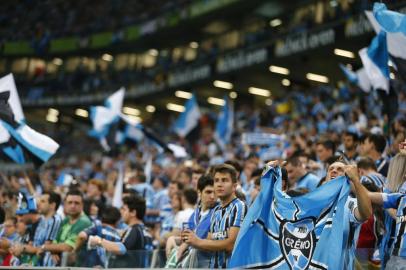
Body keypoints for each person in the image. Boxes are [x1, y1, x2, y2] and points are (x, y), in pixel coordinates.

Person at [183, 164, 248, 268]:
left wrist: (198, 241)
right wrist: (192, 240)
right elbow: (210, 240)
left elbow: (231, 245)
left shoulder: (239, 206)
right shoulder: (216, 210)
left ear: (234, 186)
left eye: (224, 180)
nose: (219, 184)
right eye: (216, 180)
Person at [322, 161, 372, 269]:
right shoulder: (314, 204)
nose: (334, 171)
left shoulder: (349, 203)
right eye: (331, 169)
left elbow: (366, 214)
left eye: (340, 169)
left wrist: (356, 181)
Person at [89, 194, 153, 268]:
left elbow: (121, 249)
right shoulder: (147, 231)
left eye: (124, 209)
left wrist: (99, 241)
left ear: (133, 213)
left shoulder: (134, 230)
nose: (121, 212)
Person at [38, 189, 92, 266]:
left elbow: (68, 248)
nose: (73, 206)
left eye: (76, 203)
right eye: (70, 203)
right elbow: (55, 241)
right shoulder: (66, 219)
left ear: (82, 205)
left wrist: (44, 247)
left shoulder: (83, 222)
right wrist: (53, 251)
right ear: (65, 204)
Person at [176, 175, 217, 268]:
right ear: (199, 192)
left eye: (215, 192)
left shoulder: (219, 213)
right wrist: (175, 240)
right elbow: (187, 238)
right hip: (192, 263)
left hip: (209, 264)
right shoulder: (194, 215)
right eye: (208, 192)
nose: (212, 196)